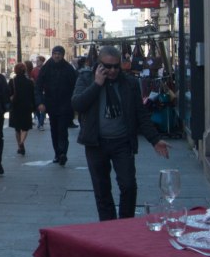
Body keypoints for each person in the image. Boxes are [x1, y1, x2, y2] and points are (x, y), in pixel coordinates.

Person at [72, 45, 170, 221]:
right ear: (99, 64)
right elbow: (77, 104)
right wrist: (97, 84)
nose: (112, 71)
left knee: (128, 186)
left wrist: (155, 140)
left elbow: (140, 114)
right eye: (107, 66)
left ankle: (126, 222)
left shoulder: (129, 83)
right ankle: (109, 227)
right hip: (96, 143)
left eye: (116, 66)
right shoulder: (86, 78)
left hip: (122, 142)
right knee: (102, 189)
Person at [35, 45, 78, 166]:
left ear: (63, 55)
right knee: (54, 130)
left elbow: (76, 86)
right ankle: (57, 153)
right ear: (52, 54)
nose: (57, 56)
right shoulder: (46, 68)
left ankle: (63, 153)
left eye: (59, 53)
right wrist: (40, 102)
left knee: (62, 130)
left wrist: (74, 102)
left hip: (65, 104)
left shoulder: (69, 69)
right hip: (51, 104)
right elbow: (38, 87)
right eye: (55, 53)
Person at [8, 62, 35, 156]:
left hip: (15, 107)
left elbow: (8, 94)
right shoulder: (30, 82)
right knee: (25, 128)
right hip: (26, 107)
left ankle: (19, 146)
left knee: (17, 128)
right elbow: (33, 96)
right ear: (25, 71)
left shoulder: (12, 82)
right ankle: (22, 143)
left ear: (15, 70)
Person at [31, 55, 46, 131]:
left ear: (42, 62)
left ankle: (41, 124)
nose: (37, 62)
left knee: (43, 108)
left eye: (38, 61)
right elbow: (32, 79)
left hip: (44, 90)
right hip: (36, 91)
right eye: (36, 61)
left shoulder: (46, 69)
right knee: (37, 108)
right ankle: (40, 120)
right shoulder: (34, 70)